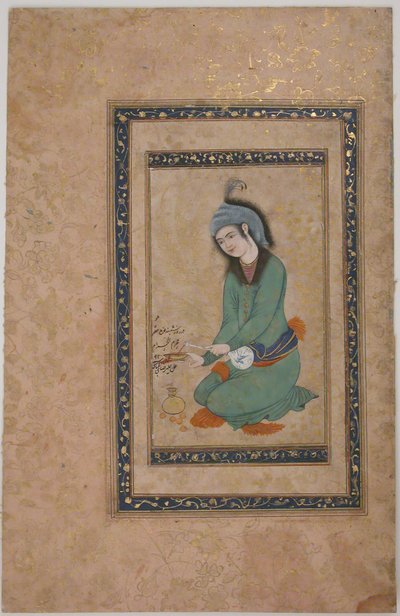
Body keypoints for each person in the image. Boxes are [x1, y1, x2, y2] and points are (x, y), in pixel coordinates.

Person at [186, 179, 318, 435]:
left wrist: (229, 347)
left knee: (216, 403)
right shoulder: (233, 276)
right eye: (221, 241)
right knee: (201, 395)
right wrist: (206, 358)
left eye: (230, 236)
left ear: (245, 229)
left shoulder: (273, 268)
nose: (227, 245)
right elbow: (230, 322)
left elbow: (261, 318)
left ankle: (287, 395)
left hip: (275, 360)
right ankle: (261, 397)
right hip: (244, 358)